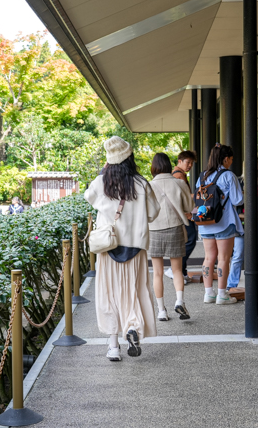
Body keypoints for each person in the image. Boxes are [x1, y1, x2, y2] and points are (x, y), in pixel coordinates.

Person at [84, 136, 159, 361]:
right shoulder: (141, 183)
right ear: (129, 157)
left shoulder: (101, 183)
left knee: (109, 294)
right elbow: (153, 212)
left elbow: (88, 197)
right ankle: (132, 328)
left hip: (109, 246)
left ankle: (114, 347)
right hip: (135, 247)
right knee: (134, 291)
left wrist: (103, 172)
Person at [195, 143, 244, 305]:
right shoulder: (229, 176)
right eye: (230, 159)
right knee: (223, 258)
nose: (231, 162)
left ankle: (209, 294)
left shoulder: (202, 176)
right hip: (224, 222)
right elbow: (238, 200)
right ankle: (222, 295)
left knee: (209, 257)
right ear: (225, 159)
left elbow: (198, 198)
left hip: (206, 222)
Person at [148, 152, 194, 321]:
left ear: (153, 167)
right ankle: (180, 301)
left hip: (154, 230)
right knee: (176, 270)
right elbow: (189, 206)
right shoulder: (179, 183)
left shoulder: (149, 185)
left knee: (158, 272)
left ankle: (161, 311)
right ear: (169, 165)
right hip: (175, 227)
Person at [228, 158, 258, 291]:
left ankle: (256, 285)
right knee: (238, 254)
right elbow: (235, 201)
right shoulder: (239, 181)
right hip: (242, 222)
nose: (255, 166)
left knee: (257, 255)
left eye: (257, 164)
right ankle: (231, 285)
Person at [165, 150, 197, 284]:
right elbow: (183, 197)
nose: (190, 165)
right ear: (180, 161)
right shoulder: (179, 176)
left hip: (180, 214)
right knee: (190, 240)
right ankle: (174, 269)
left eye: (191, 163)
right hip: (184, 214)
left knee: (184, 242)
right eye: (187, 162)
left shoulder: (177, 174)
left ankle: (181, 272)